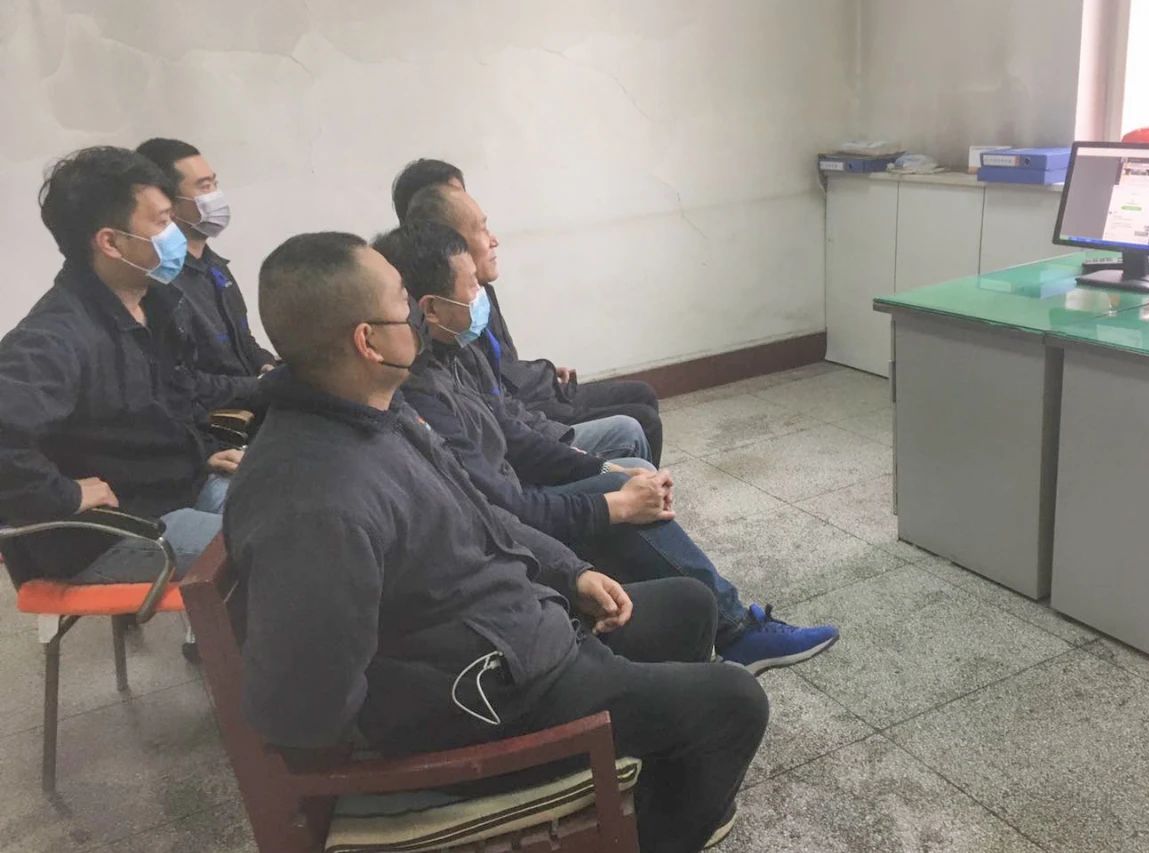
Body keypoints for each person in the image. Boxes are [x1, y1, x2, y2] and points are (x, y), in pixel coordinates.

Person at [227, 230, 768, 852]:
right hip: (486, 697)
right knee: (735, 703)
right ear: (368, 341)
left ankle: (651, 791)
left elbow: (481, 511)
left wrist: (568, 573)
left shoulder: (377, 411)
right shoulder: (315, 501)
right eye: (402, 300)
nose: (415, 314)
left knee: (690, 606)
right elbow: (305, 712)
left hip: (516, 634)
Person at [373, 222, 840, 675]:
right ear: (430, 309)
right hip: (512, 533)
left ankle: (709, 614)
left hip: (518, 496)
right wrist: (613, 503)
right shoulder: (421, 396)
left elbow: (515, 436)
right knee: (624, 489)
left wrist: (603, 469)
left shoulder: (453, 355)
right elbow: (503, 510)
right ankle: (735, 631)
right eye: (472, 287)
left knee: (627, 474)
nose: (480, 296)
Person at [0, 147, 240, 583]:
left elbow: (169, 401)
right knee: (285, 545)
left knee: (307, 506)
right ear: (110, 242)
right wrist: (65, 495)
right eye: (162, 223)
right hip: (114, 531)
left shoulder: (157, 303)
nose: (175, 235)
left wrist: (202, 450)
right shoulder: (53, 339)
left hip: (177, 488)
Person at [400, 164, 665, 462]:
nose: (494, 239)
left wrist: (546, 373)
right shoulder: (449, 332)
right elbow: (502, 421)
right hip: (525, 424)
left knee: (639, 404)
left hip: (524, 419)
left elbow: (504, 371)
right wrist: (581, 460)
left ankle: (642, 485)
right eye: (481, 227)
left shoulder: (477, 299)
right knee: (634, 427)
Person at [137, 138, 275, 406]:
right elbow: (178, 381)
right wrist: (258, 387)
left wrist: (266, 365)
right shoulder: (159, 280)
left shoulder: (215, 267)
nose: (216, 196)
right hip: (215, 420)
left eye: (214, 184)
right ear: (167, 202)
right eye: (204, 187)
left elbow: (243, 342)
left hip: (252, 403)